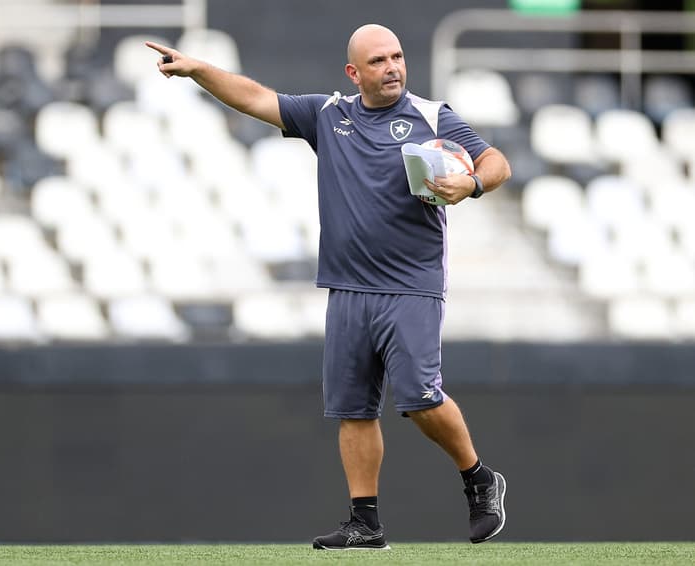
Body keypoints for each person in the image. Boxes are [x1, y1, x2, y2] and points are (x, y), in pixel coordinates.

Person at [147, 23, 511, 550]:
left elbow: (496, 161)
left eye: (397, 57)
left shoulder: (433, 117)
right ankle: (365, 523)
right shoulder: (329, 115)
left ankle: (479, 478)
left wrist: (472, 183)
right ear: (354, 72)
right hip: (347, 287)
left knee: (419, 398)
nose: (393, 68)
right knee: (353, 409)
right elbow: (256, 99)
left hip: (411, 285)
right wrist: (199, 70)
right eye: (380, 61)